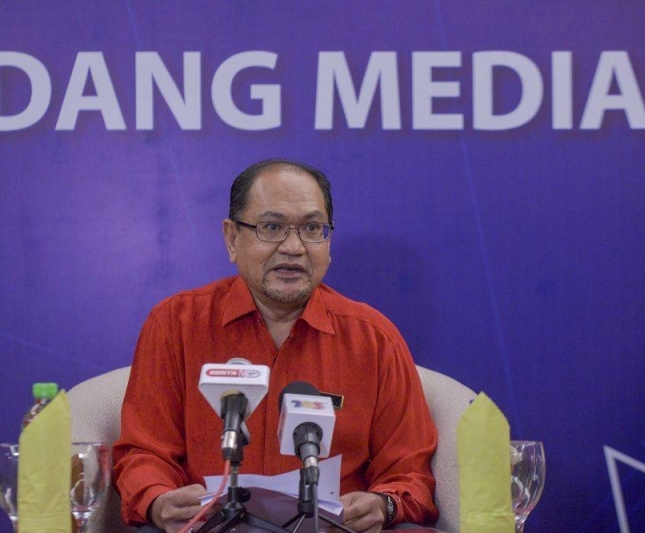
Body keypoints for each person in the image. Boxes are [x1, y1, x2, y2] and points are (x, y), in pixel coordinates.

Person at [113, 159, 439, 533]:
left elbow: (409, 472)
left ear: (328, 241)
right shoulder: (175, 325)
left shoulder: (374, 338)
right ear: (233, 238)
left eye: (312, 228)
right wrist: (157, 501)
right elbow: (144, 452)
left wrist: (385, 504)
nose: (294, 247)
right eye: (272, 227)